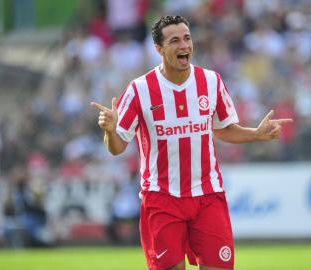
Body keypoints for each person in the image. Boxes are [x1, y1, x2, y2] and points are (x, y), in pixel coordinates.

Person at [91, 15, 292, 270]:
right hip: (162, 198)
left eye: (187, 38)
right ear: (159, 49)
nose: (184, 45)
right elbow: (117, 148)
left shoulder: (211, 81)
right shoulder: (140, 89)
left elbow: (223, 129)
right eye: (174, 41)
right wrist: (110, 130)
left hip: (208, 195)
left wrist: (256, 133)